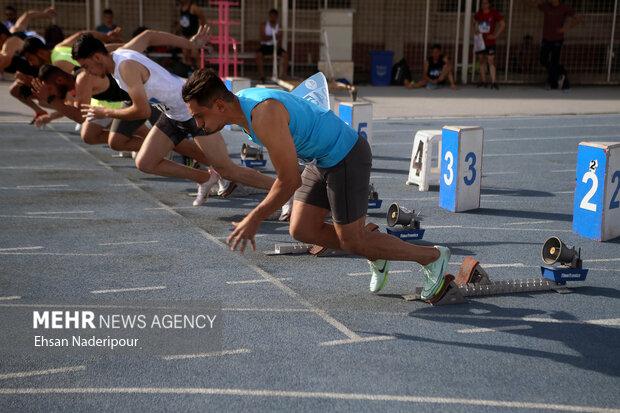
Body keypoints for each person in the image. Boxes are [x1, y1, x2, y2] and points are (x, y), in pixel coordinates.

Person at [182, 69, 452, 301]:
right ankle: (372, 246)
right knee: (301, 229)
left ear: (219, 105)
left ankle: (430, 256)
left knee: (352, 241)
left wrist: (254, 218)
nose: (197, 124)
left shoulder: (263, 114)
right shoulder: (243, 108)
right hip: (321, 159)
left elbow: (289, 181)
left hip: (346, 155)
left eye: (199, 116)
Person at [71, 31, 278, 209]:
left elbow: (142, 111)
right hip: (171, 113)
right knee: (145, 162)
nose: (87, 72)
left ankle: (283, 188)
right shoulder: (122, 52)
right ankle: (206, 178)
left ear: (97, 57)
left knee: (226, 168)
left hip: (193, 110)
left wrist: (107, 113)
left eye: (86, 66)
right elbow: (150, 35)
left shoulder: (125, 69)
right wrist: (190, 43)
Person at [528, 0, 581, 90]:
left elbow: (578, 18)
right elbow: (532, 4)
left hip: (557, 39)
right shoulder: (546, 6)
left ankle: (552, 83)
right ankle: (560, 74)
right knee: (543, 59)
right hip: (546, 38)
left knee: (554, 62)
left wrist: (565, 29)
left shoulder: (564, 7)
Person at [473, 0, 505, 90]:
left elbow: (502, 25)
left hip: (490, 42)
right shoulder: (479, 13)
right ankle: (483, 81)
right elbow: (474, 22)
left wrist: (495, 35)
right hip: (480, 41)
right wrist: (475, 30)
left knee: (491, 60)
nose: (484, 5)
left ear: (489, 4)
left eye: (486, 3)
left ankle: (494, 82)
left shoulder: (494, 13)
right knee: (481, 61)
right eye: (482, 3)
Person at [255, 8, 289, 82]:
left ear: (277, 17)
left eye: (275, 16)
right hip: (265, 46)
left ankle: (283, 75)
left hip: (275, 46)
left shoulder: (279, 26)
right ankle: (262, 76)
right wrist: (274, 36)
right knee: (258, 55)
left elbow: (280, 39)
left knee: (285, 55)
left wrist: (277, 46)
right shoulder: (263, 25)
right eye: (271, 16)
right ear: (269, 16)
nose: (273, 18)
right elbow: (263, 38)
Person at [177, 0, 205, 68]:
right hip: (185, 35)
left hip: (193, 35)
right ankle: (189, 71)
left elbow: (203, 19)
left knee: (194, 55)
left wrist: (201, 32)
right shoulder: (181, 7)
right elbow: (182, 20)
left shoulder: (193, 7)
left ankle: (201, 70)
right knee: (186, 55)